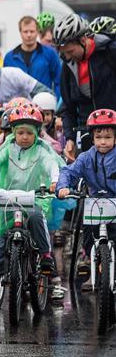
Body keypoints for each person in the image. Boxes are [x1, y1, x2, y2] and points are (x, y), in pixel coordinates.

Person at [0, 105, 60, 317]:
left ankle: (45, 254)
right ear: (13, 132)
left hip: (34, 197)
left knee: (35, 217)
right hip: (9, 200)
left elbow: (51, 164)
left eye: (29, 133)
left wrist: (55, 181)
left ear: (37, 132)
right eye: (20, 132)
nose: (24, 137)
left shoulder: (41, 149)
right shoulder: (7, 147)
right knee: (2, 243)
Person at [57, 109, 116, 280]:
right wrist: (63, 187)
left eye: (108, 137)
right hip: (95, 203)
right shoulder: (86, 157)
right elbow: (68, 172)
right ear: (92, 138)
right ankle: (89, 260)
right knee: (88, 235)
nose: (103, 142)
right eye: (98, 138)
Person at [53, 14, 116, 162]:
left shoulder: (110, 51)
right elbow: (68, 107)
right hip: (90, 136)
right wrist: (70, 138)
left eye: (70, 51)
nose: (67, 56)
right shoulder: (68, 65)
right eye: (64, 53)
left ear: (83, 40)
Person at [3, 16, 62, 99]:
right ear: (20, 32)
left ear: (37, 32)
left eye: (32, 31)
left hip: (44, 104)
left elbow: (59, 81)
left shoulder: (50, 54)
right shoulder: (9, 58)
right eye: (25, 31)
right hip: (18, 107)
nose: (29, 35)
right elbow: (6, 85)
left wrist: (55, 100)